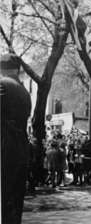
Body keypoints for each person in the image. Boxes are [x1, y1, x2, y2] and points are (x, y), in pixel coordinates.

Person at [1, 53, 32, 224]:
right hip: (20, 149)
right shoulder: (24, 92)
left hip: (4, 147)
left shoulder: (3, 85)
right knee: (15, 200)